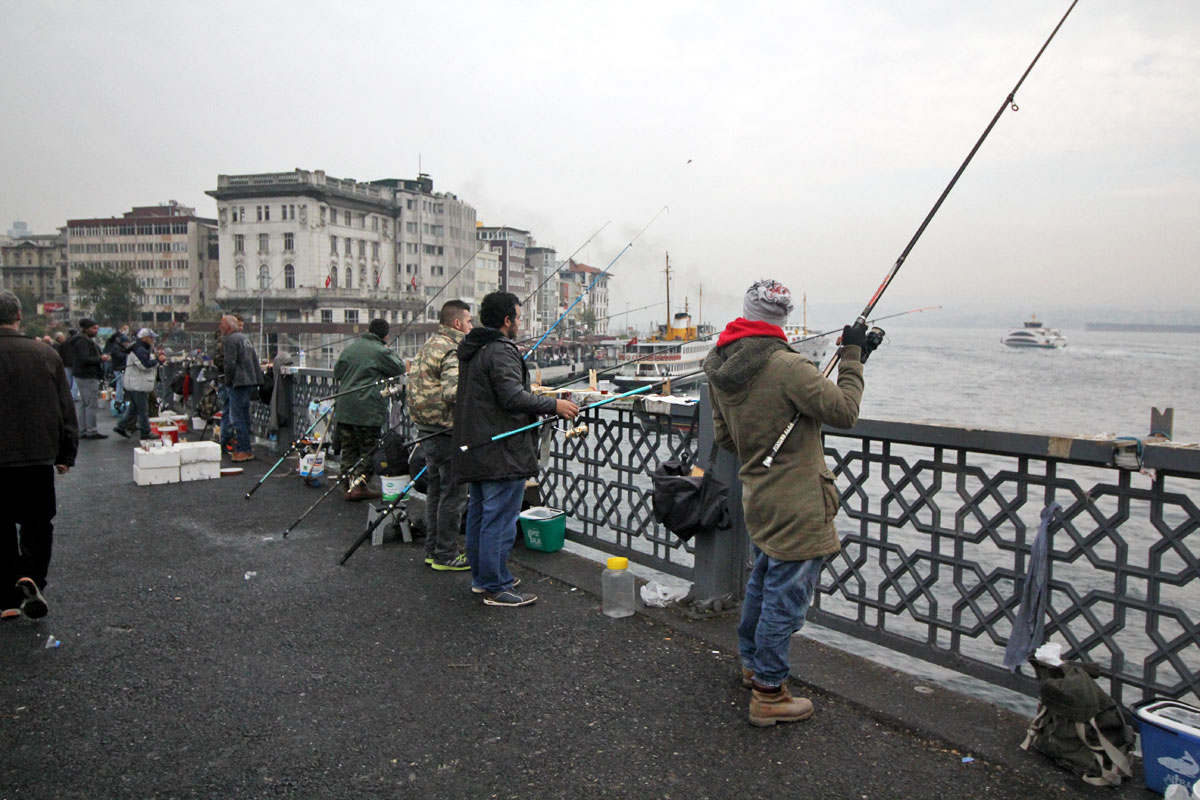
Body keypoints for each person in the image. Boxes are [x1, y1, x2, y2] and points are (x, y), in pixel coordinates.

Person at [702, 279, 867, 727]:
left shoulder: (719, 363)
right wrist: (853, 357)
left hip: (758, 495)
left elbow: (723, 438)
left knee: (762, 583)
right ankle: (770, 693)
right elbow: (846, 411)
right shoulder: (788, 366)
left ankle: (753, 665)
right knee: (786, 597)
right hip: (798, 502)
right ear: (783, 317)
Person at [453, 292, 578, 607]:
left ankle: (483, 580)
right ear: (506, 320)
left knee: (481, 515)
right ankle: (497, 586)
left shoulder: (475, 347)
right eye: (518, 317)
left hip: (479, 445)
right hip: (501, 449)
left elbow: (497, 394)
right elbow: (511, 398)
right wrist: (554, 404)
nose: (520, 323)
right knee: (499, 519)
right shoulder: (500, 351)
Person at [0, 290, 78, 620]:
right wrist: (66, 452)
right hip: (37, 457)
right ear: (19, 315)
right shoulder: (45, 354)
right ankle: (31, 576)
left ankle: (6, 599)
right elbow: (65, 408)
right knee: (38, 523)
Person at [409, 300, 473, 570]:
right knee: (454, 495)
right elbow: (453, 392)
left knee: (436, 491)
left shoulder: (429, 344)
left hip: (426, 430)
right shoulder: (453, 348)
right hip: (446, 430)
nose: (472, 326)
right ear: (457, 323)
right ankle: (446, 554)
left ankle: (433, 550)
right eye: (469, 321)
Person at [333, 318, 404, 500]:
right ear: (386, 335)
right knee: (368, 449)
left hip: (344, 406)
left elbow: (337, 372)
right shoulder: (380, 351)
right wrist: (389, 351)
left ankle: (348, 487)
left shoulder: (350, 348)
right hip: (367, 408)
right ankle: (360, 487)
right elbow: (399, 368)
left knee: (348, 449)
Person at [221, 314, 264, 463]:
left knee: (237, 417)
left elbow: (230, 364)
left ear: (228, 326)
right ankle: (246, 447)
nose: (220, 327)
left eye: (222, 324)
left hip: (238, 383)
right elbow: (254, 361)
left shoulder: (231, 340)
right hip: (249, 382)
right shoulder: (245, 338)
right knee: (244, 416)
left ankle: (244, 449)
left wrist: (228, 381)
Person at [113, 328, 166, 440]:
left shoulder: (140, 348)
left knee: (134, 407)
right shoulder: (140, 349)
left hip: (135, 383)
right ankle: (145, 432)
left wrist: (155, 357)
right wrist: (158, 361)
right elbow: (144, 365)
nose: (152, 340)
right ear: (144, 338)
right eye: (151, 337)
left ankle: (121, 426)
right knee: (143, 410)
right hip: (138, 384)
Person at [68, 318, 111, 439]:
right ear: (86, 329)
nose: (96, 331)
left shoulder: (80, 341)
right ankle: (91, 430)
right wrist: (100, 359)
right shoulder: (83, 342)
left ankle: (82, 430)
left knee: (83, 403)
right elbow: (85, 359)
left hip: (81, 375)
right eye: (94, 328)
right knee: (91, 404)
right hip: (87, 375)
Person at [104, 324, 132, 410]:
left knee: (120, 384)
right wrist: (127, 353)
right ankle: (119, 400)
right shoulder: (116, 348)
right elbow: (119, 356)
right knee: (120, 384)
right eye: (126, 342)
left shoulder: (117, 346)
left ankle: (120, 399)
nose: (127, 344)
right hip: (119, 368)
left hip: (119, 368)